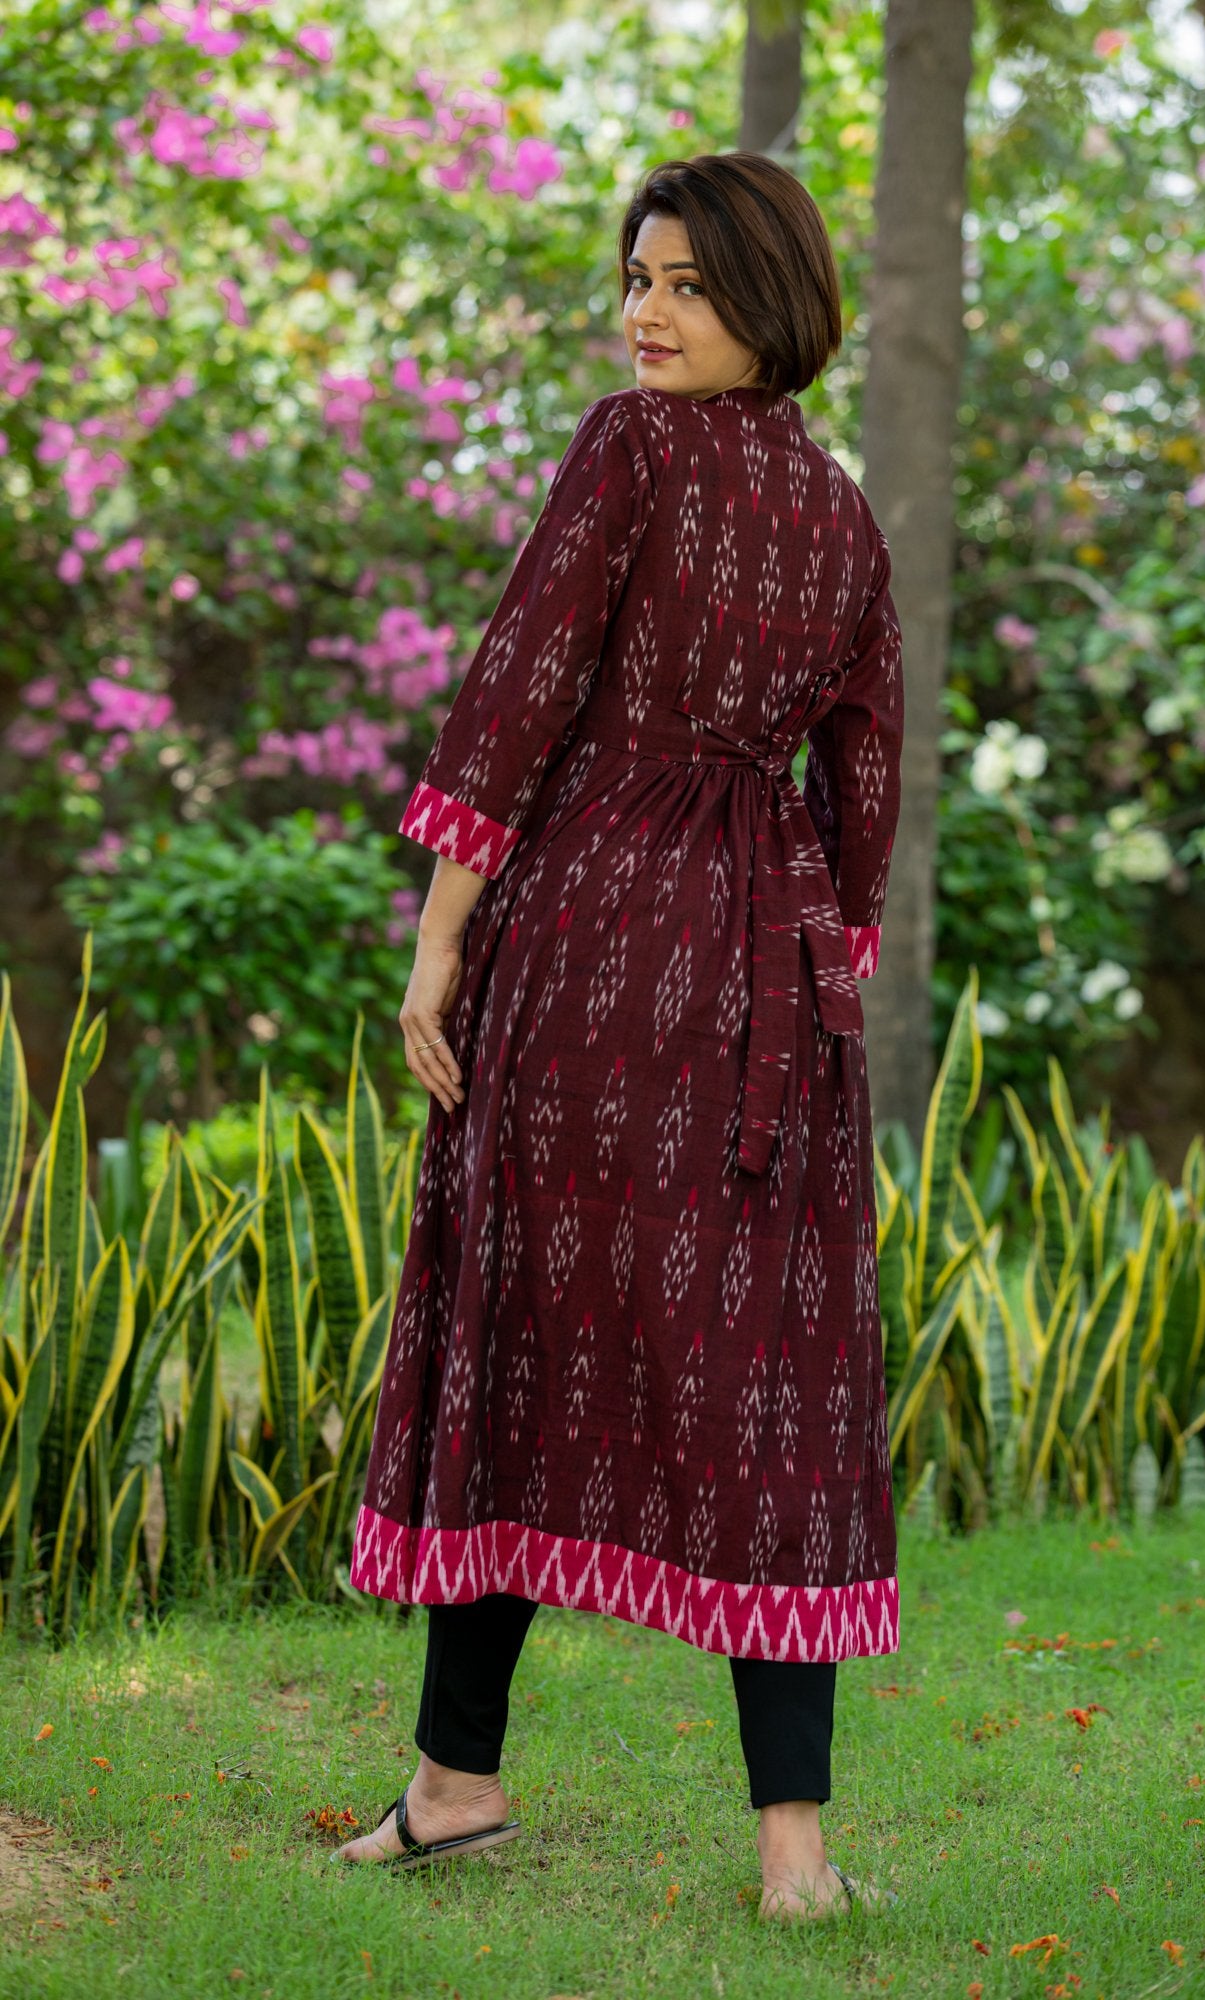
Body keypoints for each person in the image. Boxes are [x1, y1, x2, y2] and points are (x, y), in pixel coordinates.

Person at [335, 150, 905, 1924]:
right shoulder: (844, 517)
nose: (645, 315)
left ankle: (457, 1782)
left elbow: (521, 685)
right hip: (765, 978)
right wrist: (825, 964)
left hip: (591, 941)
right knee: (767, 1374)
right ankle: (793, 1857)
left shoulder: (633, 449)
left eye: (685, 284)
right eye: (637, 281)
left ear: (766, 303)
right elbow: (865, 780)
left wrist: (440, 941)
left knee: (515, 1328)